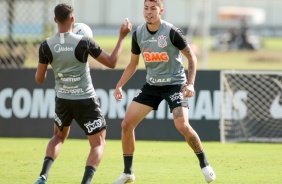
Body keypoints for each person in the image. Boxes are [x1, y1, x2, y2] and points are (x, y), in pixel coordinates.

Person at [112, 0, 216, 183]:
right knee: (126, 124)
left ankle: (205, 164)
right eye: (146, 8)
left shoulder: (171, 32)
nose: (148, 12)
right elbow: (133, 64)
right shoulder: (138, 34)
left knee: (182, 126)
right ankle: (128, 173)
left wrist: (190, 84)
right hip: (152, 86)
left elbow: (192, 58)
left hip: (175, 85)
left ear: (161, 11)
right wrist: (119, 85)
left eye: (153, 8)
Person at [34, 3, 132, 184]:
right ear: (72, 19)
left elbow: (39, 79)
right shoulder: (84, 42)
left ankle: (42, 177)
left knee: (57, 137)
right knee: (98, 143)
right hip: (85, 100)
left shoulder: (46, 46)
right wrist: (121, 36)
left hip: (62, 99)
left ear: (55, 20)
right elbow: (111, 62)